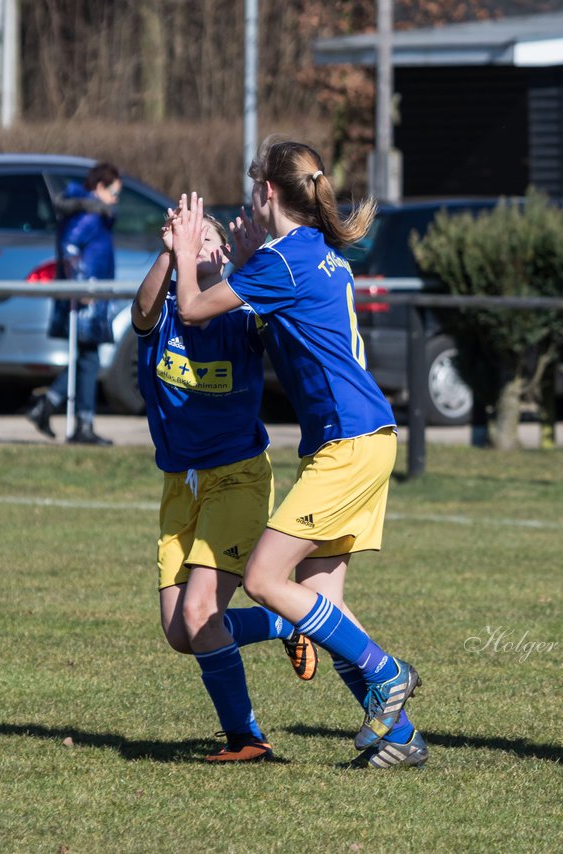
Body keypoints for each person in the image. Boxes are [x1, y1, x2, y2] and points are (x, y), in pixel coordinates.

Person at [169, 136, 426, 769]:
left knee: (262, 580)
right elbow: (271, 324)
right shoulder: (315, 254)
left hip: (348, 443)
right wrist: (249, 261)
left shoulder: (281, 261)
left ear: (265, 194)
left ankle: (386, 673)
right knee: (323, 604)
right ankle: (399, 737)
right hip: (363, 439)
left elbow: (195, 308)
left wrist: (183, 254)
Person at [133, 207, 318, 762]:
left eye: (209, 236)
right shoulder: (162, 314)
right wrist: (173, 251)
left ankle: (247, 738)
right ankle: (285, 620)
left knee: (199, 616)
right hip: (179, 484)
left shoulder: (242, 316)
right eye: (193, 236)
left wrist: (250, 257)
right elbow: (141, 308)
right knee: (180, 633)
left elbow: (274, 313)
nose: (200, 244)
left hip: (237, 476)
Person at [26, 162, 123, 446]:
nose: (117, 199)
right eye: (114, 192)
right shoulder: (89, 215)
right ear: (99, 187)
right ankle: (77, 421)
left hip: (89, 295)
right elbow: (69, 246)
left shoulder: (91, 213)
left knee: (86, 358)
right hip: (85, 298)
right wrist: (81, 284)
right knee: (88, 358)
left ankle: (50, 406)